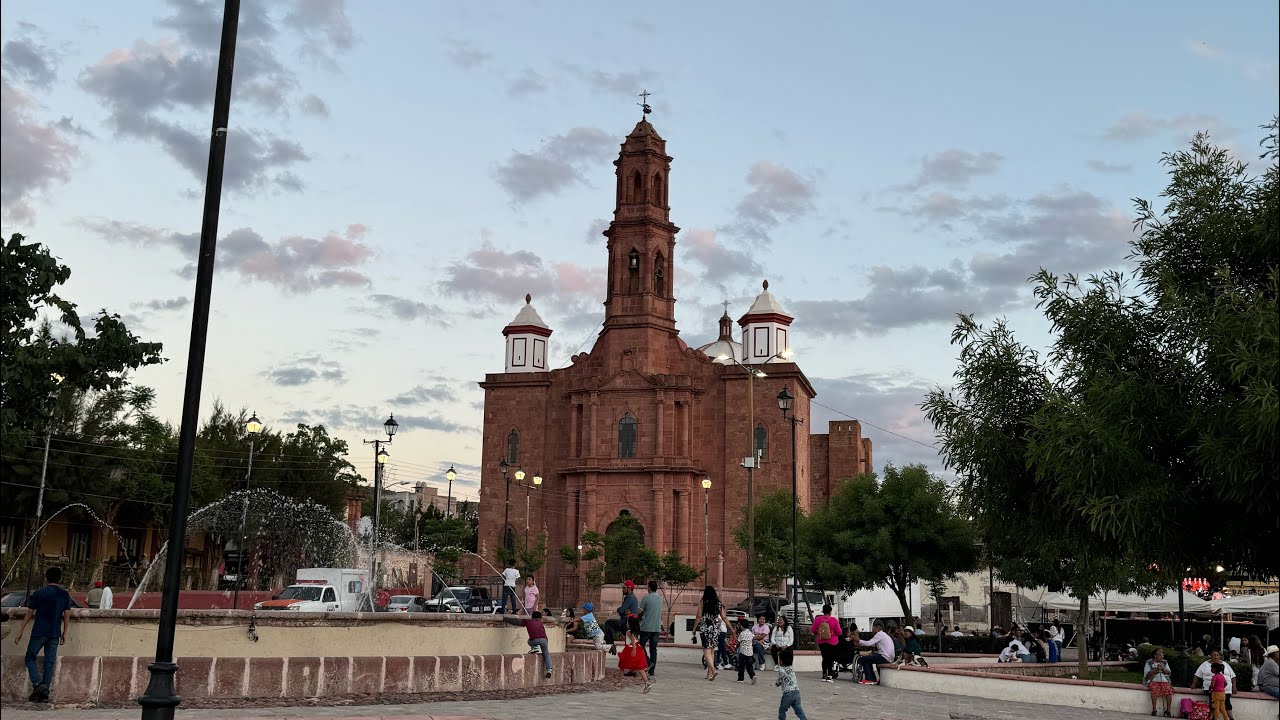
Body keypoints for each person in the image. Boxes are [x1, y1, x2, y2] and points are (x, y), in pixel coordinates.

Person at [13, 567, 73, 703]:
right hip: (54, 632)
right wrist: (65, 632)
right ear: (60, 579)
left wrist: (20, 630)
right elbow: (67, 614)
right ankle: (44, 693)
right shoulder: (64, 595)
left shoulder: (39, 593)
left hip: (39, 631)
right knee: (49, 662)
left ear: (46, 579)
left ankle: (37, 684)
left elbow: (29, 612)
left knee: (29, 657)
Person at [504, 610, 553, 678]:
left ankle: (534, 647)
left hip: (534, 640)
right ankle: (549, 670)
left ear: (532, 617)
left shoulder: (528, 621)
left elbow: (516, 622)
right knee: (546, 654)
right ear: (540, 618)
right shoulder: (540, 623)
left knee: (529, 641)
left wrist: (505, 619)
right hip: (544, 640)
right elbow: (544, 633)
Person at [696, 586, 730, 681]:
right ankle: (709, 674)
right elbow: (724, 617)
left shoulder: (702, 602)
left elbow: (698, 616)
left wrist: (694, 629)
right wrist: (731, 629)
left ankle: (713, 670)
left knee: (706, 651)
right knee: (711, 650)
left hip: (705, 628)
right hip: (715, 629)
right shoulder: (718, 604)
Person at [1193, 651, 1236, 719]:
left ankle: (1227, 718)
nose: (1216, 657)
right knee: (1217, 704)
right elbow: (1197, 675)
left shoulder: (1225, 665)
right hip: (1215, 691)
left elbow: (1233, 676)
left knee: (1223, 703)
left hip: (1223, 690)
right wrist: (1194, 684)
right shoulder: (1205, 664)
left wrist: (1234, 687)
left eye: (1217, 655)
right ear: (1210, 656)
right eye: (1214, 655)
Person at [616, 615, 651, 693]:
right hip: (639, 649)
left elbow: (632, 640)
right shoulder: (637, 631)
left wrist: (634, 649)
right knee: (640, 668)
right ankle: (646, 682)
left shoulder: (628, 632)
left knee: (622, 665)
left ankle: (619, 682)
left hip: (630, 649)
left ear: (630, 623)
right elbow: (635, 639)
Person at [603, 579, 639, 653]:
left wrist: (620, 611)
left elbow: (621, 610)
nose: (622, 590)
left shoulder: (630, 598)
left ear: (629, 588)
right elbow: (622, 611)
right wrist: (622, 611)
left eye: (624, 588)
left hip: (627, 622)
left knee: (608, 623)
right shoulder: (630, 597)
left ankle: (610, 645)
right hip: (627, 621)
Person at [856, 620, 895, 685]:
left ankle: (870, 679)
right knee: (871, 658)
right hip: (889, 657)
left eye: (874, 627)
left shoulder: (879, 634)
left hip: (885, 657)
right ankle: (873, 679)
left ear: (878, 628)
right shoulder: (885, 635)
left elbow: (868, 643)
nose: (873, 629)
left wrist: (858, 640)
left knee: (864, 659)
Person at [638, 580, 663, 678]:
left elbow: (640, 611)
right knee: (653, 648)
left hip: (646, 626)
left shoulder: (646, 598)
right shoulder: (660, 599)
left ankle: (648, 662)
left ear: (649, 588)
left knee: (641, 645)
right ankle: (652, 670)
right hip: (656, 627)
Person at [810, 604, 840, 682]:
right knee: (830, 658)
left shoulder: (818, 619)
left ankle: (824, 675)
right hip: (832, 641)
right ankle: (830, 675)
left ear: (823, 611)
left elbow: (813, 630)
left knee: (824, 657)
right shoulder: (834, 620)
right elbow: (839, 632)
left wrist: (819, 634)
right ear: (830, 611)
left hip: (821, 641)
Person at [775, 648, 808, 720]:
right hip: (796, 692)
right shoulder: (791, 668)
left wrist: (777, 683)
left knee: (782, 710)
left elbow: (781, 678)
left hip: (787, 694)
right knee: (799, 710)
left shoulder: (781, 669)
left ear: (781, 661)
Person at [1143, 647, 1173, 717]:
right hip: (1153, 680)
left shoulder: (1165, 662)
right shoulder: (1149, 662)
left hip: (1164, 680)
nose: (1162, 656)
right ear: (1155, 655)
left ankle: (1168, 711)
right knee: (1155, 689)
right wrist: (1156, 669)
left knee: (1169, 690)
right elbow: (1146, 675)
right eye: (1160, 654)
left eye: (1162, 654)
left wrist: (1164, 668)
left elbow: (1169, 673)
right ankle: (1154, 709)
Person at [736, 618, 757, 684]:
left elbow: (738, 641)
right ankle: (752, 675)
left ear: (741, 626)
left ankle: (740, 678)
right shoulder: (750, 633)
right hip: (750, 653)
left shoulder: (742, 634)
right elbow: (753, 638)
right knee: (749, 666)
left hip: (743, 652)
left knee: (741, 666)